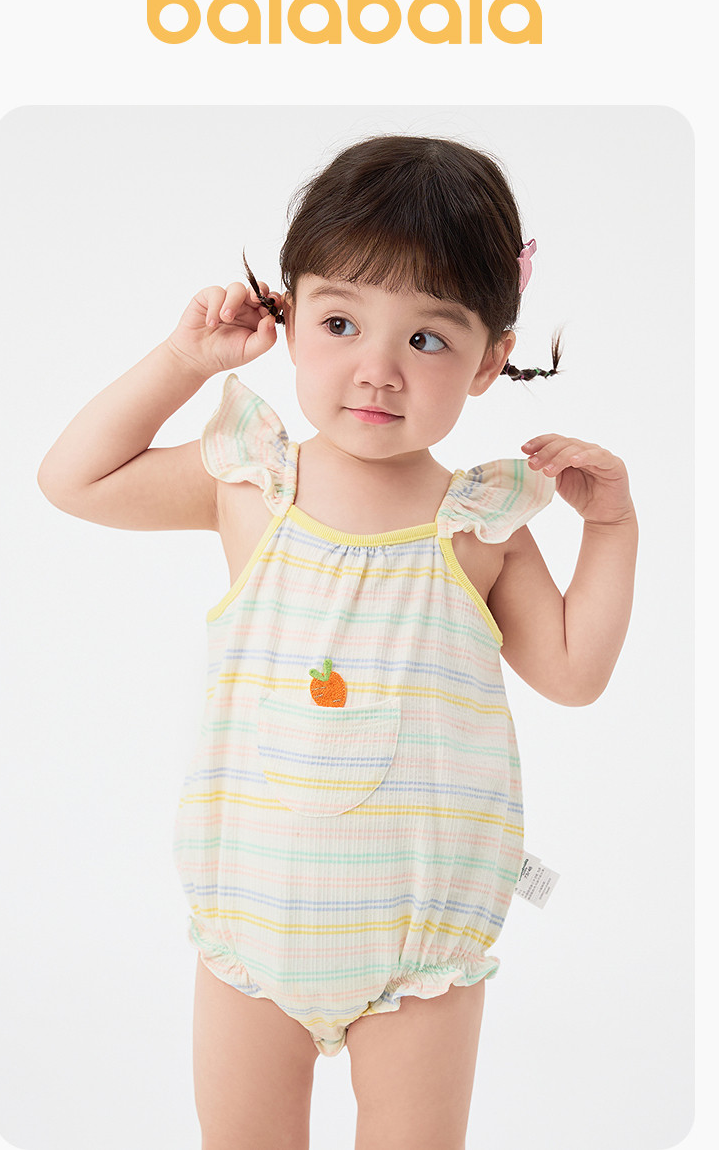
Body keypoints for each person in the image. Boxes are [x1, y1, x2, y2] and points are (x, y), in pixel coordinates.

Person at [37, 134, 638, 1150]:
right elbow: (73, 480)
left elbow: (575, 672)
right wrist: (184, 360)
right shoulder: (251, 482)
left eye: (427, 340)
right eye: (341, 322)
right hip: (251, 927)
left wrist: (612, 529)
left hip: (420, 949)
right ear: (287, 318)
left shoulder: (482, 523)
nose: (377, 370)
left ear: (490, 360)